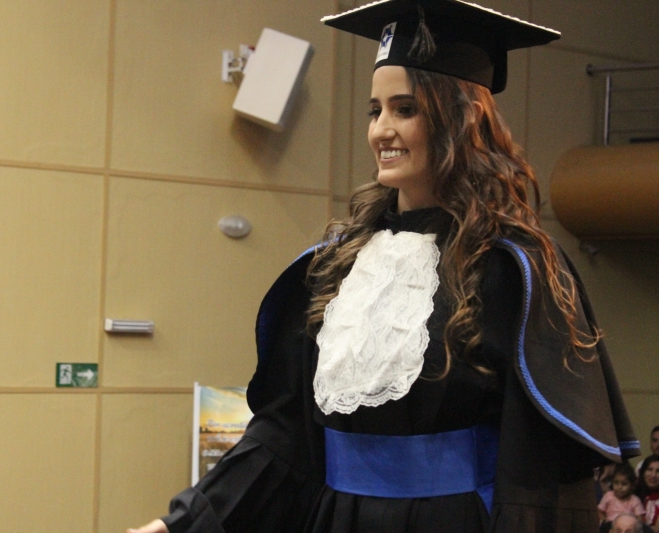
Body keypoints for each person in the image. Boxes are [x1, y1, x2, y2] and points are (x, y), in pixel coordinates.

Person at [129, 1, 639, 532]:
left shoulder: (515, 270)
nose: (381, 130)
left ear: (461, 120)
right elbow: (283, 439)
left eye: (405, 109)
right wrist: (178, 524)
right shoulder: (333, 267)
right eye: (375, 111)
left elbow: (542, 475)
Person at [598, 463, 645, 533]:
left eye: (624, 484)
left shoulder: (635, 500)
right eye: (616, 483)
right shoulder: (608, 496)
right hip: (610, 525)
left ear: (632, 485)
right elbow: (599, 510)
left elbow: (640, 518)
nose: (619, 487)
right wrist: (604, 520)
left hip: (627, 527)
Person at [637, 455, 659, 533]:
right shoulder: (634, 493)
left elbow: (657, 530)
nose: (653, 475)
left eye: (658, 471)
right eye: (649, 469)